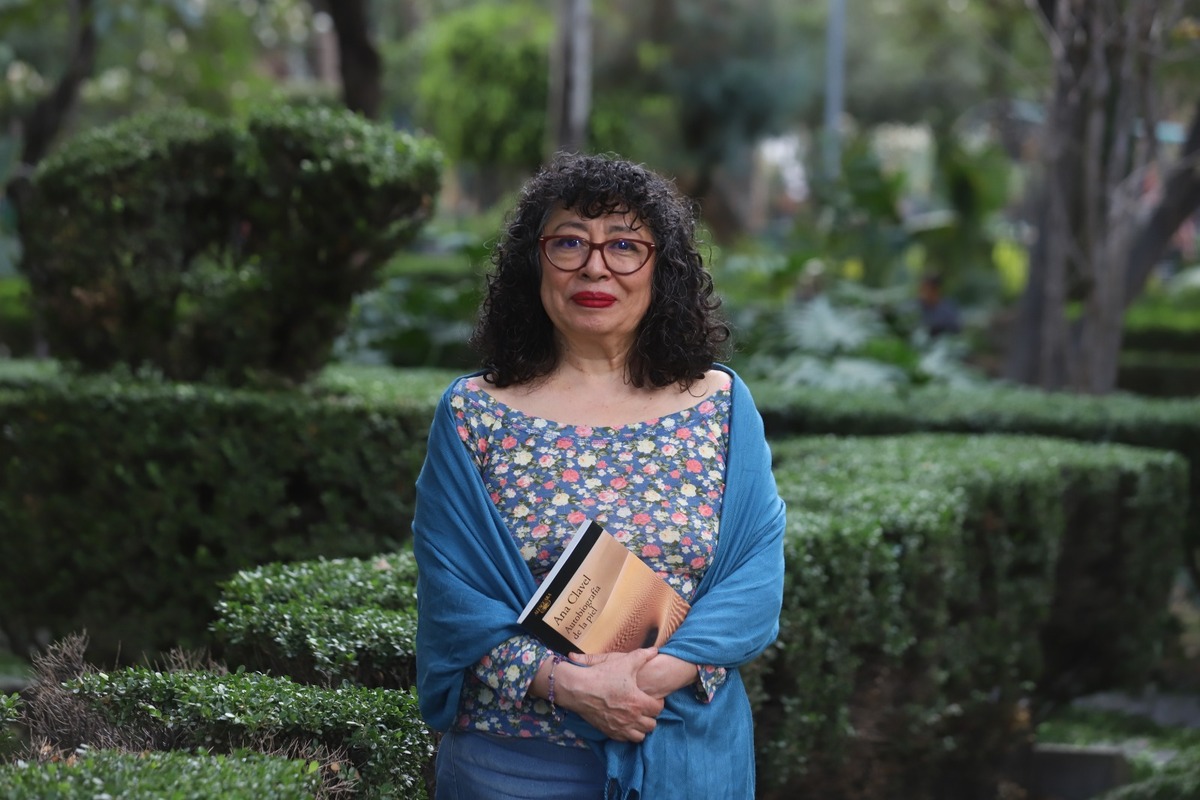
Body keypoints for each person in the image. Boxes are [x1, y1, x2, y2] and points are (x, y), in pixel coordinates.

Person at [412, 152, 787, 800]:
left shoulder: (719, 406)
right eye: (569, 243)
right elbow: (453, 602)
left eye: (623, 245)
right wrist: (573, 686)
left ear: (660, 266)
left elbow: (753, 579)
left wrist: (647, 680)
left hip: (683, 755)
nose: (594, 265)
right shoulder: (474, 415)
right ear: (536, 263)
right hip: (513, 770)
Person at [916, 272, 962, 337]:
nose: (923, 293)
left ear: (935, 290)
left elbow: (956, 328)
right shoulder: (917, 307)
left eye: (926, 289)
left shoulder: (948, 307)